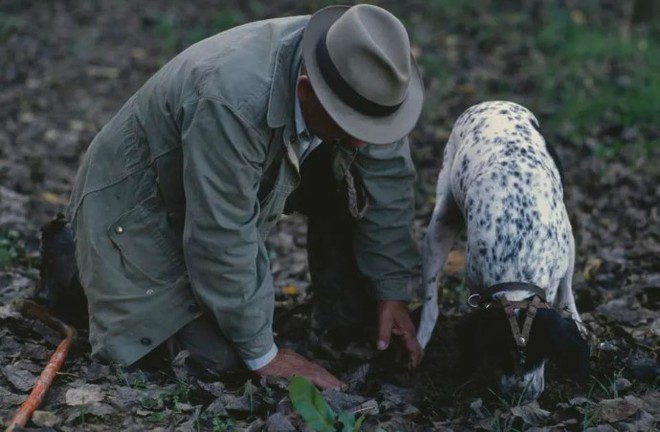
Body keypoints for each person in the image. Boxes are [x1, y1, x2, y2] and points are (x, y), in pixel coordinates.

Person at [66, 3, 424, 390]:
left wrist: (391, 290)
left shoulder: (368, 78)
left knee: (354, 168)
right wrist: (266, 355)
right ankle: (73, 268)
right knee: (218, 360)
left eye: (369, 127)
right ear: (306, 91)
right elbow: (221, 230)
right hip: (135, 205)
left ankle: (345, 320)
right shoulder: (232, 98)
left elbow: (387, 180)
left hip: (212, 186)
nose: (359, 139)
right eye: (348, 123)